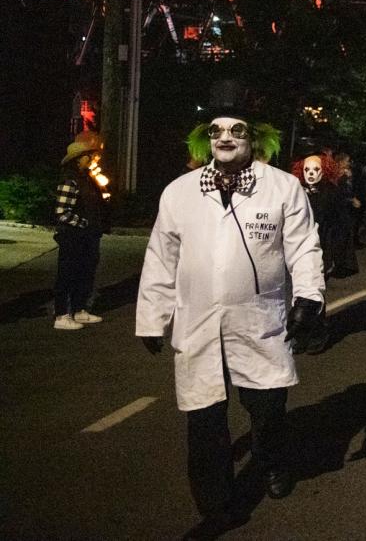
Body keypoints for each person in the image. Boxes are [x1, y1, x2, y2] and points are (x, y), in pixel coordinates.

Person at [135, 109, 325, 537]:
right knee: (204, 419)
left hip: (259, 321)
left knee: (267, 408)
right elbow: (161, 257)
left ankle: (272, 459)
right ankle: (217, 504)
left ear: (254, 138)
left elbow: (304, 247)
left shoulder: (283, 187)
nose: (225, 137)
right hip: (198, 323)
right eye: (215, 130)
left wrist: (308, 297)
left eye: (236, 130)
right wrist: (152, 316)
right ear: (205, 138)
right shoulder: (180, 193)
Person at [52, 132, 111, 330]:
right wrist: (83, 223)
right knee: (68, 273)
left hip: (88, 236)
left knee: (86, 272)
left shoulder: (85, 178)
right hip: (73, 236)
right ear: (78, 159)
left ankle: (79, 309)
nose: (91, 159)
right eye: (87, 156)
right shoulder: (70, 180)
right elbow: (62, 212)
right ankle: (61, 314)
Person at [293, 153, 348, 278]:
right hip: (299, 244)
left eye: (316, 169)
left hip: (322, 242)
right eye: (307, 169)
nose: (311, 173)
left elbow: (340, 219)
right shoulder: (296, 189)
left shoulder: (331, 191)